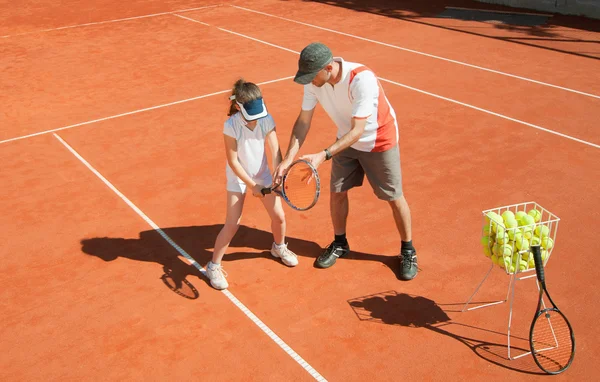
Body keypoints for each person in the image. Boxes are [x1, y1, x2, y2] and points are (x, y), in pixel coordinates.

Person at [274, 42, 418, 280]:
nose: (309, 81)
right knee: (338, 192)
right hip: (345, 139)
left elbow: (359, 130)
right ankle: (340, 243)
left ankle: (408, 250)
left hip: (378, 140)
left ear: (328, 68)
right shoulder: (314, 82)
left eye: (312, 76)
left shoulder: (361, 79)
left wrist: (323, 155)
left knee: (393, 197)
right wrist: (287, 159)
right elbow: (303, 121)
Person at [206, 79, 299, 290]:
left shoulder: (266, 119)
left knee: (279, 217)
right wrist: (252, 186)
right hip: (238, 177)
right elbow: (233, 161)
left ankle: (279, 247)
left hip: (262, 175)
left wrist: (279, 172)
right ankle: (213, 266)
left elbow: (275, 151)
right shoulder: (230, 126)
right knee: (232, 223)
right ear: (238, 106)